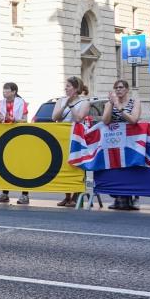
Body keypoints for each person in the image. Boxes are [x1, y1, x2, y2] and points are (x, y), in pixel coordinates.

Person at [103, 79, 142, 211]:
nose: (118, 90)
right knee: (116, 168)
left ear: (126, 89)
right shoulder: (111, 102)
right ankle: (118, 197)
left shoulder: (134, 102)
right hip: (114, 141)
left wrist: (120, 109)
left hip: (132, 140)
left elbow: (133, 120)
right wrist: (111, 104)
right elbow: (105, 120)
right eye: (116, 88)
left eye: (120, 87)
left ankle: (133, 197)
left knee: (131, 168)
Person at [52, 76, 90, 207]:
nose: (65, 88)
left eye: (68, 86)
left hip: (77, 137)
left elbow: (79, 118)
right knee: (65, 165)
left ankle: (77, 194)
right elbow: (54, 117)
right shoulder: (61, 101)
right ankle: (66, 195)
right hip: (63, 136)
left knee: (77, 164)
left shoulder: (84, 102)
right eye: (66, 86)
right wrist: (64, 105)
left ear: (75, 89)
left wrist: (71, 106)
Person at [0, 82, 30, 205]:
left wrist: (15, 120)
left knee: (22, 165)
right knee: (5, 164)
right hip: (5, 136)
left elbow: (25, 120)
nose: (4, 92)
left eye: (7, 90)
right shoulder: (0, 103)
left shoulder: (21, 103)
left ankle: (25, 194)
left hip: (19, 136)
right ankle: (5, 193)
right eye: (3, 90)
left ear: (14, 92)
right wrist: (1, 119)